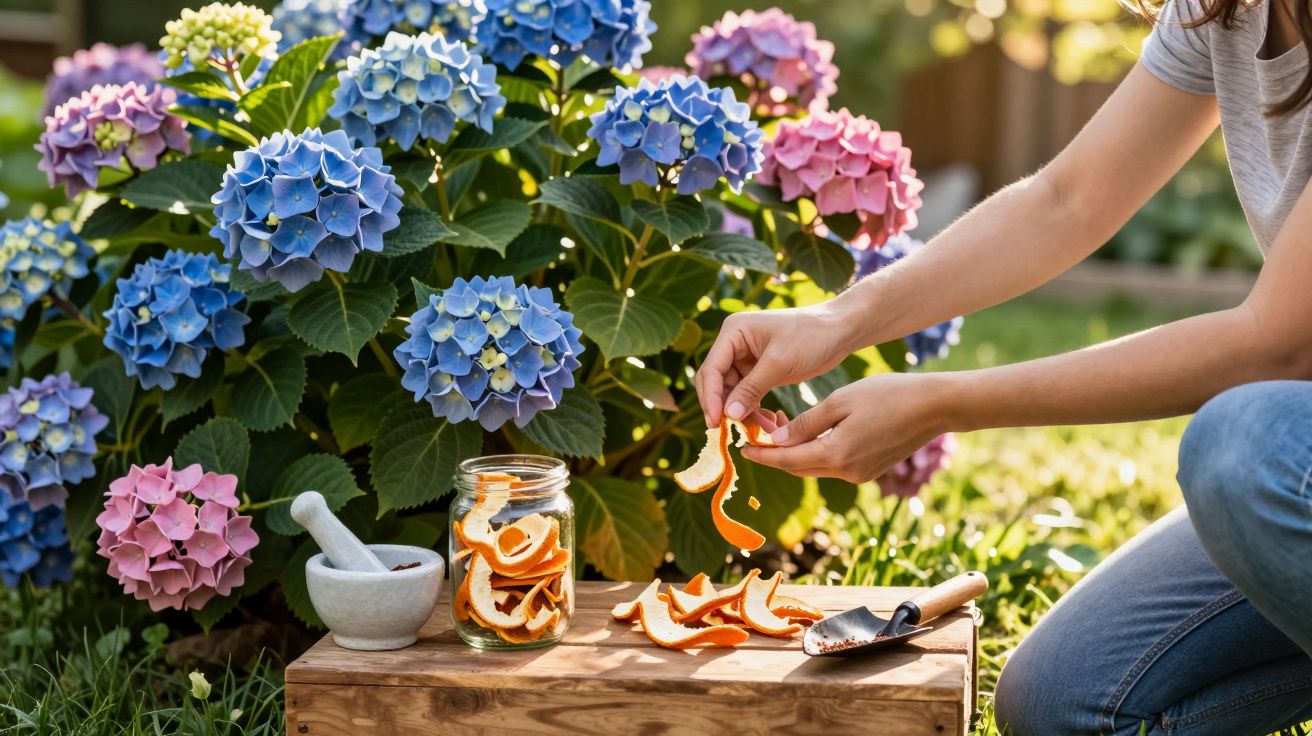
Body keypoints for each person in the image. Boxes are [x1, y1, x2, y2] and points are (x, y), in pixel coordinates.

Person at [692, 0, 1312, 731]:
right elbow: (1068, 200)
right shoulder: (1227, 10)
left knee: (1239, 450)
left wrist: (940, 402)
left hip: (1280, 454)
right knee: (1066, 700)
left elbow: (1279, 343)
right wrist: (838, 320)